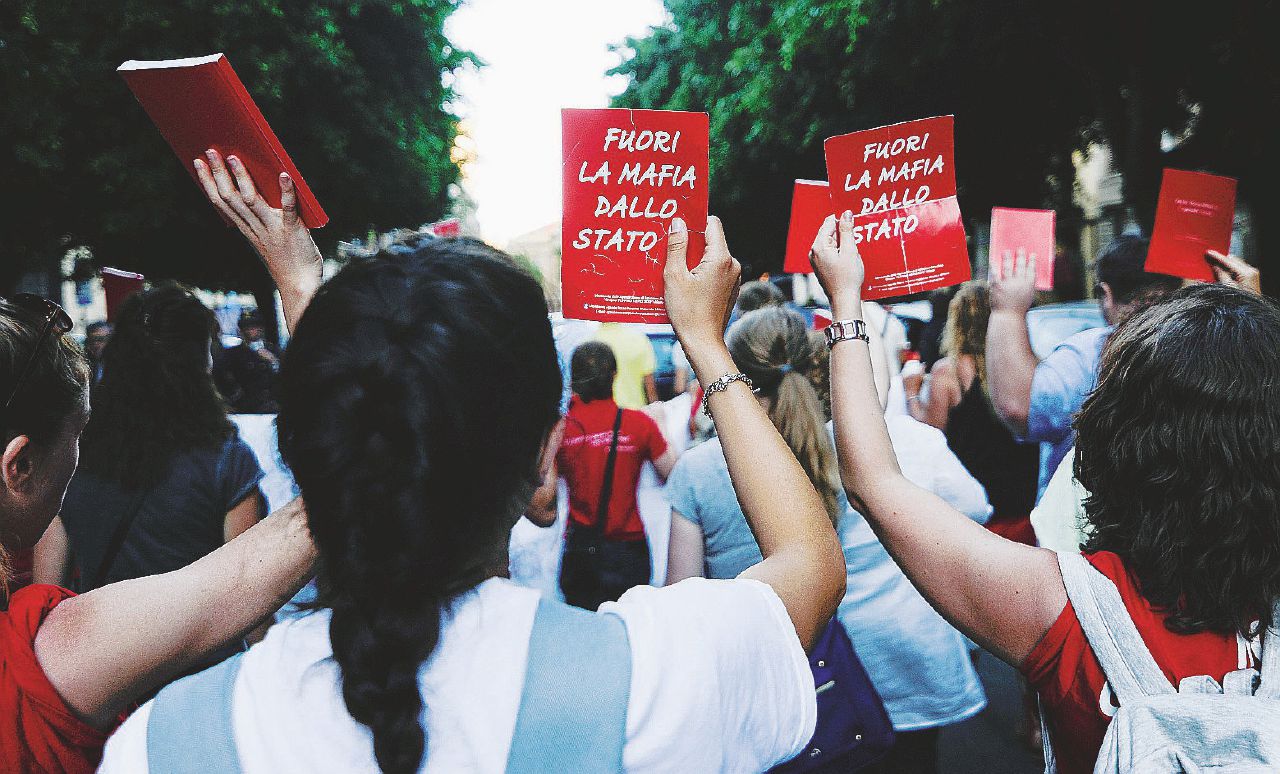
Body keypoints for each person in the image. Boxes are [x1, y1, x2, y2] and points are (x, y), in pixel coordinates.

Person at [99, 150, 845, 773]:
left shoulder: (158, 746)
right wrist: (705, 340)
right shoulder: (651, 689)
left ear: (307, 453)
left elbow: (363, 423)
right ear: (543, 456)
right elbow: (811, 561)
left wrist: (304, 288)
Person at [810, 210, 1278, 773]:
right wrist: (1250, 328)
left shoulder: (1067, 609)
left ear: (1112, 436)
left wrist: (846, 305)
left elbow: (873, 481)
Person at [0, 288, 315, 774]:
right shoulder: (48, 658)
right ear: (18, 465)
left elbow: (50, 573)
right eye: (77, 432)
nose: (77, 453)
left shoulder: (40, 639)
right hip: (195, 706)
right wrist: (296, 279)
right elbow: (320, 511)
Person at [666, 306, 989, 774]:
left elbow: (683, 599)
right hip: (875, 676)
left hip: (768, 696)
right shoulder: (866, 449)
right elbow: (970, 509)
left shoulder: (698, 471)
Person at [35, 284, 265, 604]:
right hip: (209, 652)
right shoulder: (227, 461)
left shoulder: (71, 455)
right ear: (202, 362)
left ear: (116, 356)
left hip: (103, 648)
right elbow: (250, 601)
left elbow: (46, 594)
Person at [985, 237, 1181, 495]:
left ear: (1106, 294)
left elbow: (1019, 407)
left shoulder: (1092, 354)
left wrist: (1007, 312)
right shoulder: (1205, 347)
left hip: (1090, 527)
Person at [539, 341, 676, 609]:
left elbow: (544, 495)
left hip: (580, 551)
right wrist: (662, 424)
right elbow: (673, 473)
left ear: (573, 378)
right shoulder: (639, 424)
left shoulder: (561, 429)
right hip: (629, 550)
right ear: (614, 375)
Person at [906, 281, 1039, 544]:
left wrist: (911, 393)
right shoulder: (1026, 366)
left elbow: (931, 434)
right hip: (1025, 504)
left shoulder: (948, 372)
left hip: (975, 509)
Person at [216, 309, 281, 414]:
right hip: (244, 409)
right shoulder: (232, 355)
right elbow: (222, 380)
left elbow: (284, 378)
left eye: (255, 327)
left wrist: (273, 361)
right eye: (247, 327)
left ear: (262, 329)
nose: (251, 331)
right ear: (240, 331)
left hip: (272, 408)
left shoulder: (274, 351)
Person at [591, 321, 658, 409]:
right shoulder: (638, 338)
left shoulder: (591, 340)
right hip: (635, 411)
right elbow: (650, 385)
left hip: (603, 413)